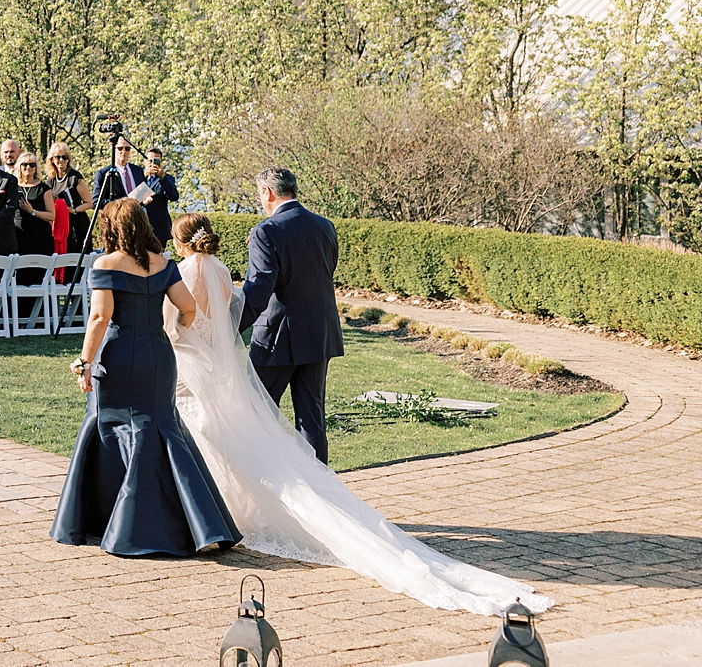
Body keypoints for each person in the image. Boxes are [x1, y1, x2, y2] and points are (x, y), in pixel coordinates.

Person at [166, 215, 548, 615]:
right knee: (276, 427)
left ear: (181, 242)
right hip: (243, 357)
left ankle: (211, 513)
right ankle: (264, 496)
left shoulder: (185, 272)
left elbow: (180, 327)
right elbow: (230, 316)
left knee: (206, 436)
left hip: (195, 368)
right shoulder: (228, 269)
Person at [50, 199, 239, 557]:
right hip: (158, 357)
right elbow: (188, 308)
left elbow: (99, 318)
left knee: (109, 425)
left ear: (112, 228)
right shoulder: (164, 263)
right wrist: (169, 334)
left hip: (118, 356)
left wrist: (83, 361)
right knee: (160, 428)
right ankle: (197, 524)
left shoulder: (105, 264)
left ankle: (108, 520)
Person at [240, 167, 346, 462]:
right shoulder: (325, 226)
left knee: (256, 411)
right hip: (319, 333)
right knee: (311, 420)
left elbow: (258, 290)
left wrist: (229, 325)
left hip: (276, 337)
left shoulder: (266, 231)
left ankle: (264, 483)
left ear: (267, 192)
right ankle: (319, 491)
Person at [43, 142, 90, 252]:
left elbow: (89, 203)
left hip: (76, 224)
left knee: (76, 256)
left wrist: (74, 210)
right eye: (57, 157)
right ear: (52, 160)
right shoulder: (50, 180)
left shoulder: (75, 177)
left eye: (64, 157)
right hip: (59, 224)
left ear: (68, 159)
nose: (61, 160)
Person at [137, 147, 180, 248]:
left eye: (156, 161)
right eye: (150, 160)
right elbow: (131, 197)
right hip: (139, 224)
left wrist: (163, 177)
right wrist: (145, 176)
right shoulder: (137, 177)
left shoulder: (167, 179)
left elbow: (174, 196)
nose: (153, 164)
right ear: (144, 162)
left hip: (158, 228)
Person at [13, 156, 55, 256]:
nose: (28, 167)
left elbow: (52, 215)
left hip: (40, 237)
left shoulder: (44, 188)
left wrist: (33, 211)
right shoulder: (13, 186)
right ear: (19, 166)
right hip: (18, 236)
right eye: (25, 164)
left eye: (32, 165)